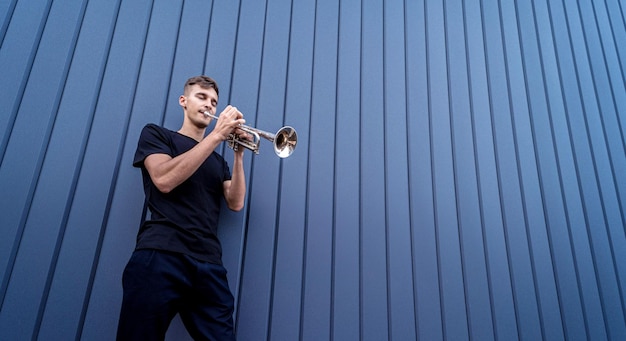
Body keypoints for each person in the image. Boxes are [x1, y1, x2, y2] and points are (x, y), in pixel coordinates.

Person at [117, 75, 249, 340]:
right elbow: (164, 180)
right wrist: (216, 136)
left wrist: (237, 154)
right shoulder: (157, 135)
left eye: (214, 102)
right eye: (202, 97)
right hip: (161, 255)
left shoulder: (217, 161)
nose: (209, 105)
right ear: (183, 101)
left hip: (209, 264)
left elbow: (236, 203)